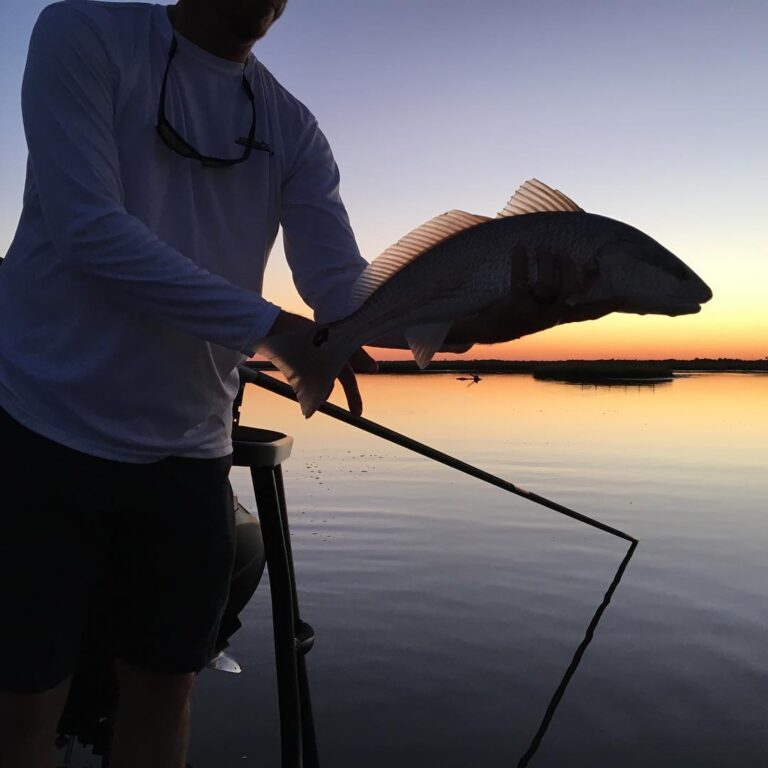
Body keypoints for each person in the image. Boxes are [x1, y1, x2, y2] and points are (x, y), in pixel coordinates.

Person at [0, 2, 617, 766]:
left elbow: (343, 297)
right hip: (42, 428)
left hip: (188, 449)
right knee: (23, 700)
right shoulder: (82, 33)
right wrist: (277, 331)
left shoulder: (290, 126)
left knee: (165, 690)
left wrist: (486, 323)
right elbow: (85, 227)